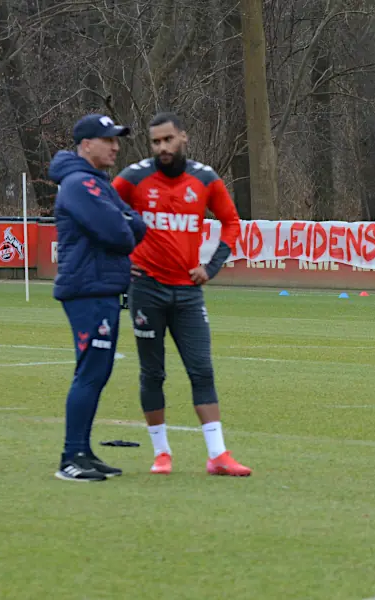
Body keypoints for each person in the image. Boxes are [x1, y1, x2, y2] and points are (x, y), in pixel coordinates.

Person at [112, 112, 250, 477]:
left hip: (188, 293)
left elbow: (232, 222)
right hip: (146, 290)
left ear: (183, 138)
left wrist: (212, 266)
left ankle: (217, 455)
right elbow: (101, 212)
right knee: (152, 373)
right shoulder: (135, 177)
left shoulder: (204, 179)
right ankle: (161, 453)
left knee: (201, 370)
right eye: (155, 142)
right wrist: (120, 260)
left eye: (168, 140)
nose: (162, 148)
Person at [49, 113, 146, 482]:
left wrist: (126, 224)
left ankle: (83, 450)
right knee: (90, 373)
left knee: (97, 372)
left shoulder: (96, 184)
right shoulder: (79, 184)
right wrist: (125, 224)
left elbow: (133, 224)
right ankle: (70, 457)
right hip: (88, 290)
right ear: (86, 144)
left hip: (101, 287)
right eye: (108, 140)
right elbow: (120, 231)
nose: (116, 146)